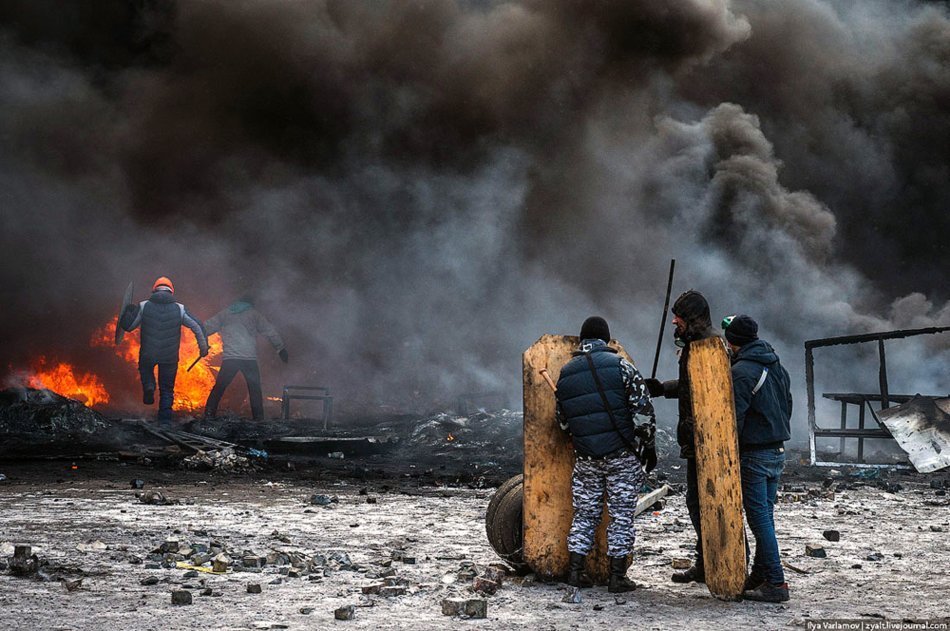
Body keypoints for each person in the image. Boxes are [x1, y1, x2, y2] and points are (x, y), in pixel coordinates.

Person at [555, 316, 657, 593]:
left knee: (585, 514)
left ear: (582, 341)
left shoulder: (565, 374)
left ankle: (576, 572)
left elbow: (563, 422)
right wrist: (648, 446)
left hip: (586, 458)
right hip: (621, 456)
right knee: (621, 515)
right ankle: (616, 577)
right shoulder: (622, 366)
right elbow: (643, 413)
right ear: (606, 339)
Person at [643, 290, 717, 584]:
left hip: (708, 440)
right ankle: (706, 562)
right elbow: (690, 385)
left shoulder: (709, 347)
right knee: (696, 503)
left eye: (680, 317)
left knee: (712, 503)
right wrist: (662, 388)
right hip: (695, 439)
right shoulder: (695, 345)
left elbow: (711, 392)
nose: (674, 322)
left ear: (693, 318)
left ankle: (724, 562)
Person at [721, 314, 792, 603]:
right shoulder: (776, 365)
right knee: (766, 517)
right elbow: (788, 404)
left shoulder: (741, 372)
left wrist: (727, 453)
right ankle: (760, 574)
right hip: (777, 450)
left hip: (754, 454)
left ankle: (775, 582)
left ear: (731, 342)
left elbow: (733, 419)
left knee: (759, 519)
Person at [119, 276, 209, 425]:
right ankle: (165, 422)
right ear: (171, 291)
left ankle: (149, 386)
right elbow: (197, 326)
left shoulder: (144, 306)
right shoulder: (180, 309)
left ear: (154, 290)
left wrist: (129, 311)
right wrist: (203, 347)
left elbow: (128, 327)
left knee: (145, 369)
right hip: (169, 357)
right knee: (167, 389)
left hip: (148, 354)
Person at [202, 296, 287, 421]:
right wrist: (280, 348)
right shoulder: (254, 314)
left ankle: (209, 414)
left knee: (219, 387)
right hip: (249, 359)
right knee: (255, 390)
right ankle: (258, 418)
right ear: (250, 303)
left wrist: (203, 343)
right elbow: (270, 331)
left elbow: (205, 328)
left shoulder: (225, 314)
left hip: (230, 359)